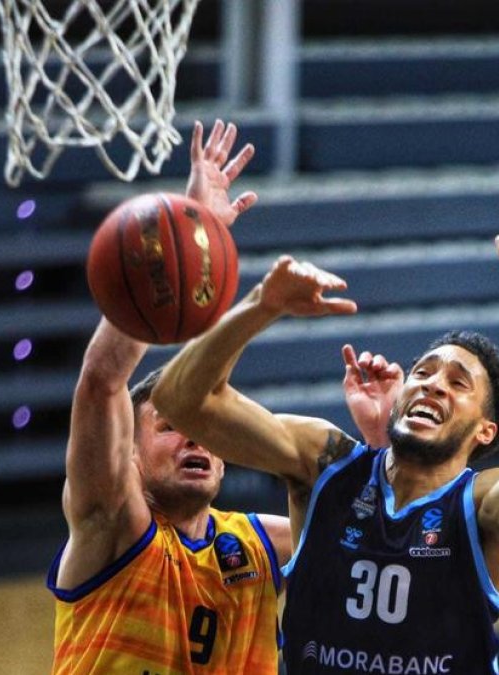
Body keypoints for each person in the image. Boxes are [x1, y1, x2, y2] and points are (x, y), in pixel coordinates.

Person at [152, 187, 499, 673]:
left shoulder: (479, 505)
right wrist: (260, 305)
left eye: (458, 383)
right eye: (423, 372)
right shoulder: (326, 464)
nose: (433, 384)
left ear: (485, 431)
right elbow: (182, 402)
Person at [48, 119, 399, 674]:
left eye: (203, 431)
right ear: (129, 454)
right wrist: (187, 236)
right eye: (168, 427)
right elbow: (102, 380)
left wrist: (379, 441)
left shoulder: (258, 545)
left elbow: (372, 548)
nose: (194, 438)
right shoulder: (111, 526)